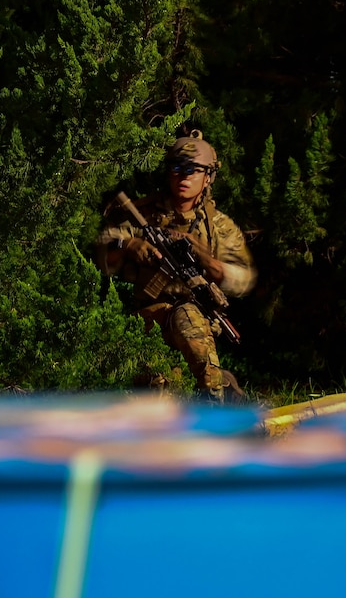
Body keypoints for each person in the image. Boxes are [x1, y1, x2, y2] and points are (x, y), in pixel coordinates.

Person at [98, 130, 256, 402]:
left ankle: (216, 400)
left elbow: (243, 279)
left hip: (196, 321)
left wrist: (208, 261)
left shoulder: (217, 226)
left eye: (192, 170)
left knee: (188, 318)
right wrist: (130, 245)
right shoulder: (143, 213)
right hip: (148, 317)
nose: (184, 176)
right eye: (177, 168)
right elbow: (103, 254)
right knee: (158, 394)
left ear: (207, 177)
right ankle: (212, 385)